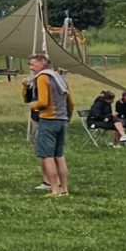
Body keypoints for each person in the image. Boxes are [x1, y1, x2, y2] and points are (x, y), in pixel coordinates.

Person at [26, 54, 71, 197]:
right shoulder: (60, 78)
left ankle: (54, 189)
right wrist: (67, 116)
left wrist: (33, 106)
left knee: (47, 156)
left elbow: (43, 102)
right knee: (59, 155)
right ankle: (64, 188)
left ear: (41, 64)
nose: (31, 68)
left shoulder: (42, 77)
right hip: (62, 119)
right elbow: (71, 102)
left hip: (48, 120)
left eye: (33, 64)